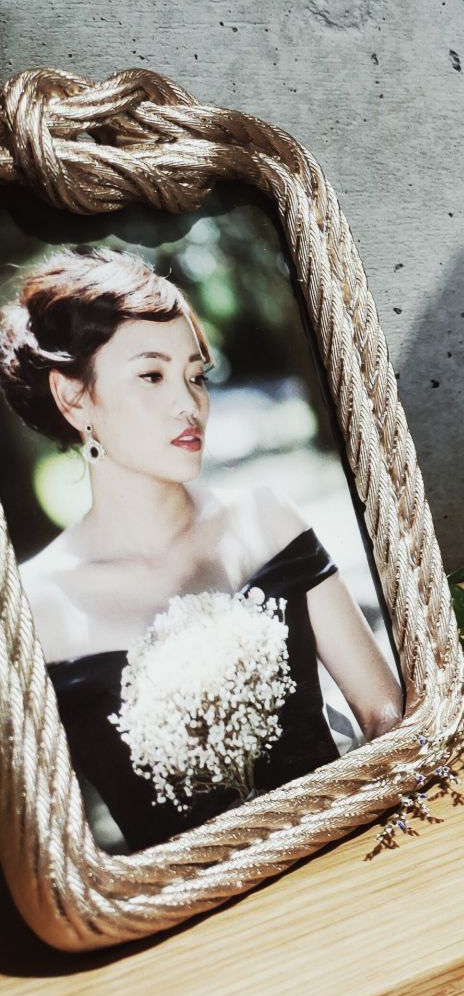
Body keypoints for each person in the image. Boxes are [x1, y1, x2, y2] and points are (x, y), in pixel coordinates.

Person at [0, 246, 403, 852]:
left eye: (196, 376)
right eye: (152, 375)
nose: (188, 404)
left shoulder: (263, 521)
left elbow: (384, 716)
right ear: (74, 399)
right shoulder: (37, 610)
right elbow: (54, 850)